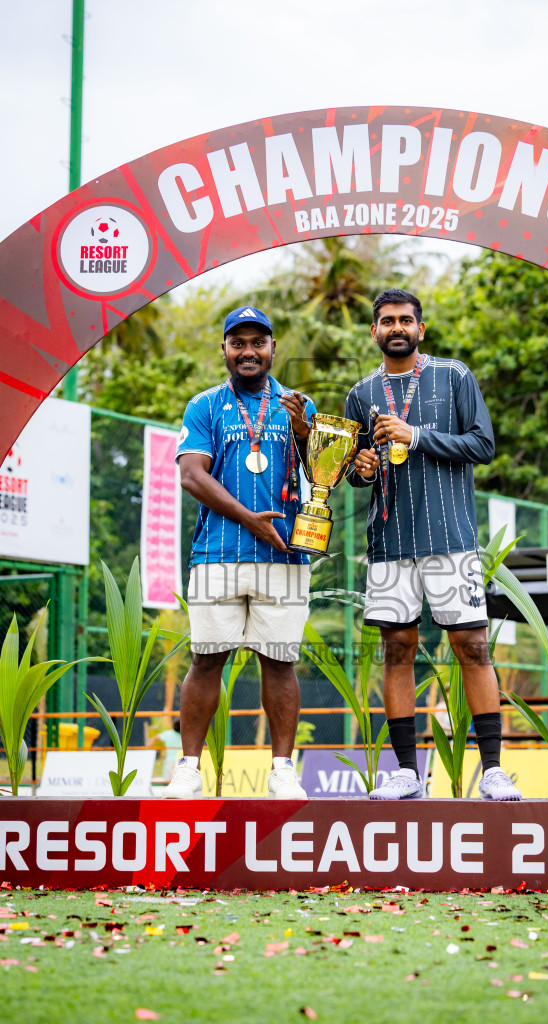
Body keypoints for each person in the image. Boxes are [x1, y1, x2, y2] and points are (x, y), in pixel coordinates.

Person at [345, 288, 521, 801]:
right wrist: (362, 468)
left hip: (451, 540)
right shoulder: (360, 394)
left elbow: (483, 445)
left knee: (472, 647)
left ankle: (491, 770)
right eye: (385, 321)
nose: (395, 327)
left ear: (421, 329)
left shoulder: (454, 375)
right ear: (374, 331)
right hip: (389, 542)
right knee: (397, 652)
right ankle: (405, 772)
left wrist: (414, 435)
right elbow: (355, 470)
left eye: (405, 320)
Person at [164, 305, 315, 800]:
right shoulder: (204, 406)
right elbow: (192, 474)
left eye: (258, 342)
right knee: (206, 659)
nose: (248, 351)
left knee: (280, 661)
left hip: (285, 556)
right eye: (238, 343)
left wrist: (305, 434)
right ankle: (188, 767)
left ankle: (282, 770)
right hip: (217, 554)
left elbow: (324, 476)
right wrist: (247, 519)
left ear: (273, 349)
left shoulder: (299, 405)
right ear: (225, 349)